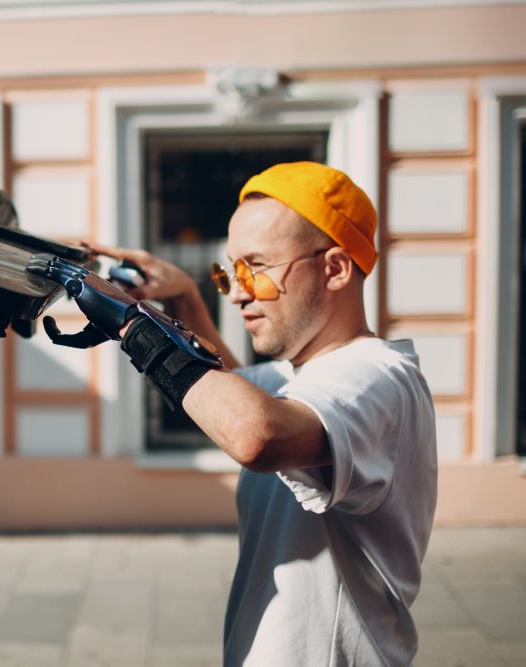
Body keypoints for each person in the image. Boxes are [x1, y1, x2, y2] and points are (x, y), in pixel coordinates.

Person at [28, 161, 437, 666]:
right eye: (231, 270)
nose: (239, 292)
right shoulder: (297, 379)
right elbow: (236, 394)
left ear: (334, 268)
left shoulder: (379, 376)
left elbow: (256, 434)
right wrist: (184, 304)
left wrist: (134, 326)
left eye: (257, 267)